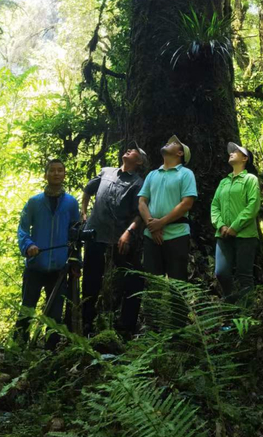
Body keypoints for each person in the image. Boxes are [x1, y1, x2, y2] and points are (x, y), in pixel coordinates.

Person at [80, 144, 149, 337]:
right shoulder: (106, 172)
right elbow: (88, 190)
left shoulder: (138, 183)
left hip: (119, 238)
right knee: (90, 280)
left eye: (133, 151)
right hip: (94, 233)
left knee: (134, 277)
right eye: (129, 149)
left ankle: (126, 326)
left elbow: (139, 213)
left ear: (140, 161)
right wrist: (84, 212)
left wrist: (128, 232)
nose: (128, 150)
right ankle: (86, 324)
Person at [16, 158, 80, 344]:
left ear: (64, 174)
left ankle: (50, 353)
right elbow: (22, 229)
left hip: (59, 269)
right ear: (46, 175)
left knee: (55, 315)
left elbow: (74, 234)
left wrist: (76, 262)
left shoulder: (71, 203)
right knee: (27, 309)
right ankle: (18, 349)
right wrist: (28, 246)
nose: (56, 173)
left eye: (60, 170)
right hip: (35, 266)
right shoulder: (34, 202)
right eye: (52, 170)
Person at [138, 135, 196, 280]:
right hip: (151, 236)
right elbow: (142, 201)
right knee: (152, 284)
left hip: (177, 234)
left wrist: (160, 223)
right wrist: (152, 225)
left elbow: (187, 203)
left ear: (180, 153)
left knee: (177, 284)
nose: (168, 143)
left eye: (175, 143)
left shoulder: (186, 174)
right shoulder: (152, 174)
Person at [210, 142, 261, 301]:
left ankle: (247, 315)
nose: (231, 153)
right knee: (221, 273)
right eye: (230, 151)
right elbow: (214, 205)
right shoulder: (223, 182)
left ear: (245, 158)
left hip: (245, 235)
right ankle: (230, 307)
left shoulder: (250, 179)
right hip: (223, 235)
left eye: (236, 151)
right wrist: (221, 225)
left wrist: (235, 227)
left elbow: (253, 205)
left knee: (244, 274)